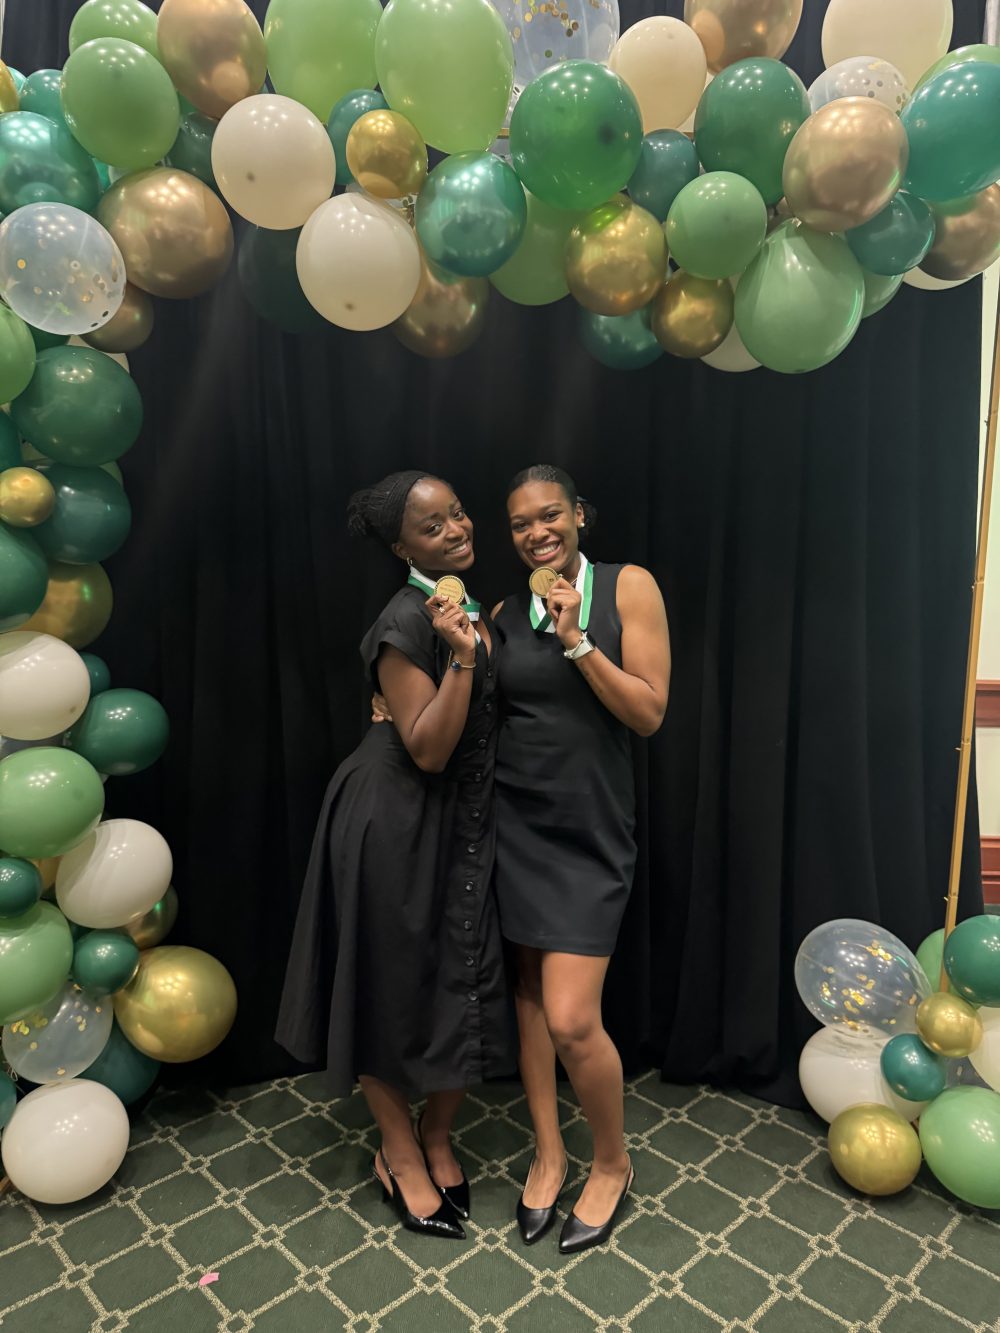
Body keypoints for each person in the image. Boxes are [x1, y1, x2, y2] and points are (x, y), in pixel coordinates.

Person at [276, 470, 511, 1241]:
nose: (456, 529)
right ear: (401, 545)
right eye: (433, 525)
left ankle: (438, 1134)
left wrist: (486, 640)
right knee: (384, 983)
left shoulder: (463, 608)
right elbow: (428, 747)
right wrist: (467, 659)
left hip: (455, 820)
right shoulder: (404, 619)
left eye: (458, 512)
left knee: (461, 978)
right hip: (391, 814)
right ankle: (400, 1151)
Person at [493, 463, 670, 1254]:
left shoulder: (627, 586)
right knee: (529, 996)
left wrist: (575, 641)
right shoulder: (499, 609)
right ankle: (549, 1150)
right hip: (514, 824)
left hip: (590, 831)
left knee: (572, 1016)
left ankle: (611, 1160)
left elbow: (648, 712)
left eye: (550, 515)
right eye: (523, 523)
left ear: (578, 516)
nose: (538, 531)